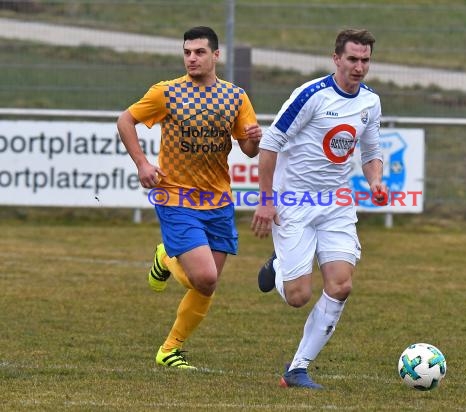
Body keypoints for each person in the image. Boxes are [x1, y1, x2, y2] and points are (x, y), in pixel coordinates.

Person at [117, 26, 262, 369]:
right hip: (175, 196)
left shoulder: (236, 97)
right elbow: (126, 120)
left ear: (216, 55)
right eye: (187, 52)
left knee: (207, 286)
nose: (192, 58)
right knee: (206, 277)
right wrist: (142, 163)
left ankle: (169, 350)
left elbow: (250, 150)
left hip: (218, 201)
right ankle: (167, 257)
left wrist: (255, 137)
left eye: (199, 52)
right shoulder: (167, 93)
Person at [251, 28, 387, 389]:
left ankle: (297, 369)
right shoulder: (310, 95)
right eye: (353, 59)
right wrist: (266, 200)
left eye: (365, 60)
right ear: (336, 59)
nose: (359, 67)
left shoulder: (370, 102)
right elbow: (270, 143)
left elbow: (371, 151)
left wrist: (375, 181)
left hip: (336, 203)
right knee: (298, 297)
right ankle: (279, 266)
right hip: (293, 200)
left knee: (341, 285)